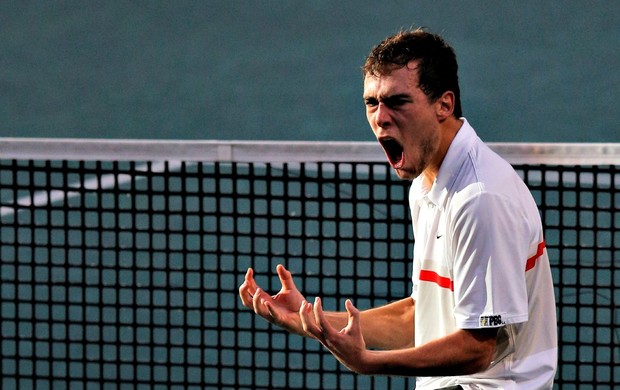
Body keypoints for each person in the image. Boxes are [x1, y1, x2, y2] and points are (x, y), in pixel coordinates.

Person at [239, 28, 558, 389]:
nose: (380, 118)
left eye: (398, 101)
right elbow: (417, 315)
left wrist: (368, 362)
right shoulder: (425, 184)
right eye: (371, 103)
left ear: (444, 105)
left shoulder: (479, 200)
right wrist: (308, 320)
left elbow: (476, 348)